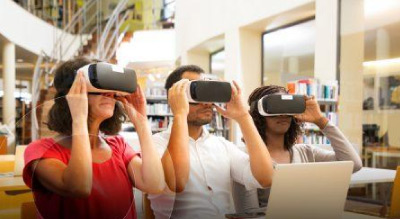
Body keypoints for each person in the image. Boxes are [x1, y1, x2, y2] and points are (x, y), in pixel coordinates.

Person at [23, 58, 165, 219]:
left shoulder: (118, 146)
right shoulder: (40, 150)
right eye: (98, 86)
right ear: (72, 96)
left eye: (110, 88)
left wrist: (141, 122)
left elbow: (155, 184)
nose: (109, 94)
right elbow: (79, 187)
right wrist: (79, 118)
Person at [146, 65, 274, 219]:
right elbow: (176, 182)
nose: (206, 102)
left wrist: (243, 117)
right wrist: (179, 113)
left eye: (207, 91)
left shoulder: (222, 145)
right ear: (173, 96)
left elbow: (266, 178)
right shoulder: (155, 144)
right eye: (195, 92)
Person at [233, 85, 363, 212]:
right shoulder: (246, 160)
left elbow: (354, 164)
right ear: (258, 114)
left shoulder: (307, 152)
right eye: (275, 108)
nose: (282, 114)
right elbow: (248, 213)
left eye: (288, 108)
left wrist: (320, 120)